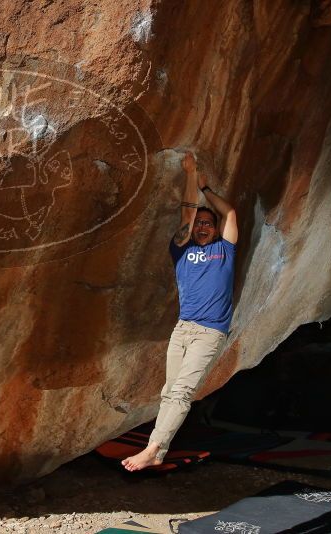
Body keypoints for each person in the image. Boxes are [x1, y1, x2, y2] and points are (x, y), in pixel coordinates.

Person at [122, 151, 238, 471]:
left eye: (207, 223)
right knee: (169, 392)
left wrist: (205, 187)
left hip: (210, 331)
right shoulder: (181, 250)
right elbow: (186, 218)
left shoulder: (224, 250)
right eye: (199, 223)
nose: (202, 227)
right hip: (182, 329)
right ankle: (159, 452)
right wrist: (190, 177)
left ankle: (151, 448)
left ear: (215, 229)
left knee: (182, 392)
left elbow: (229, 214)